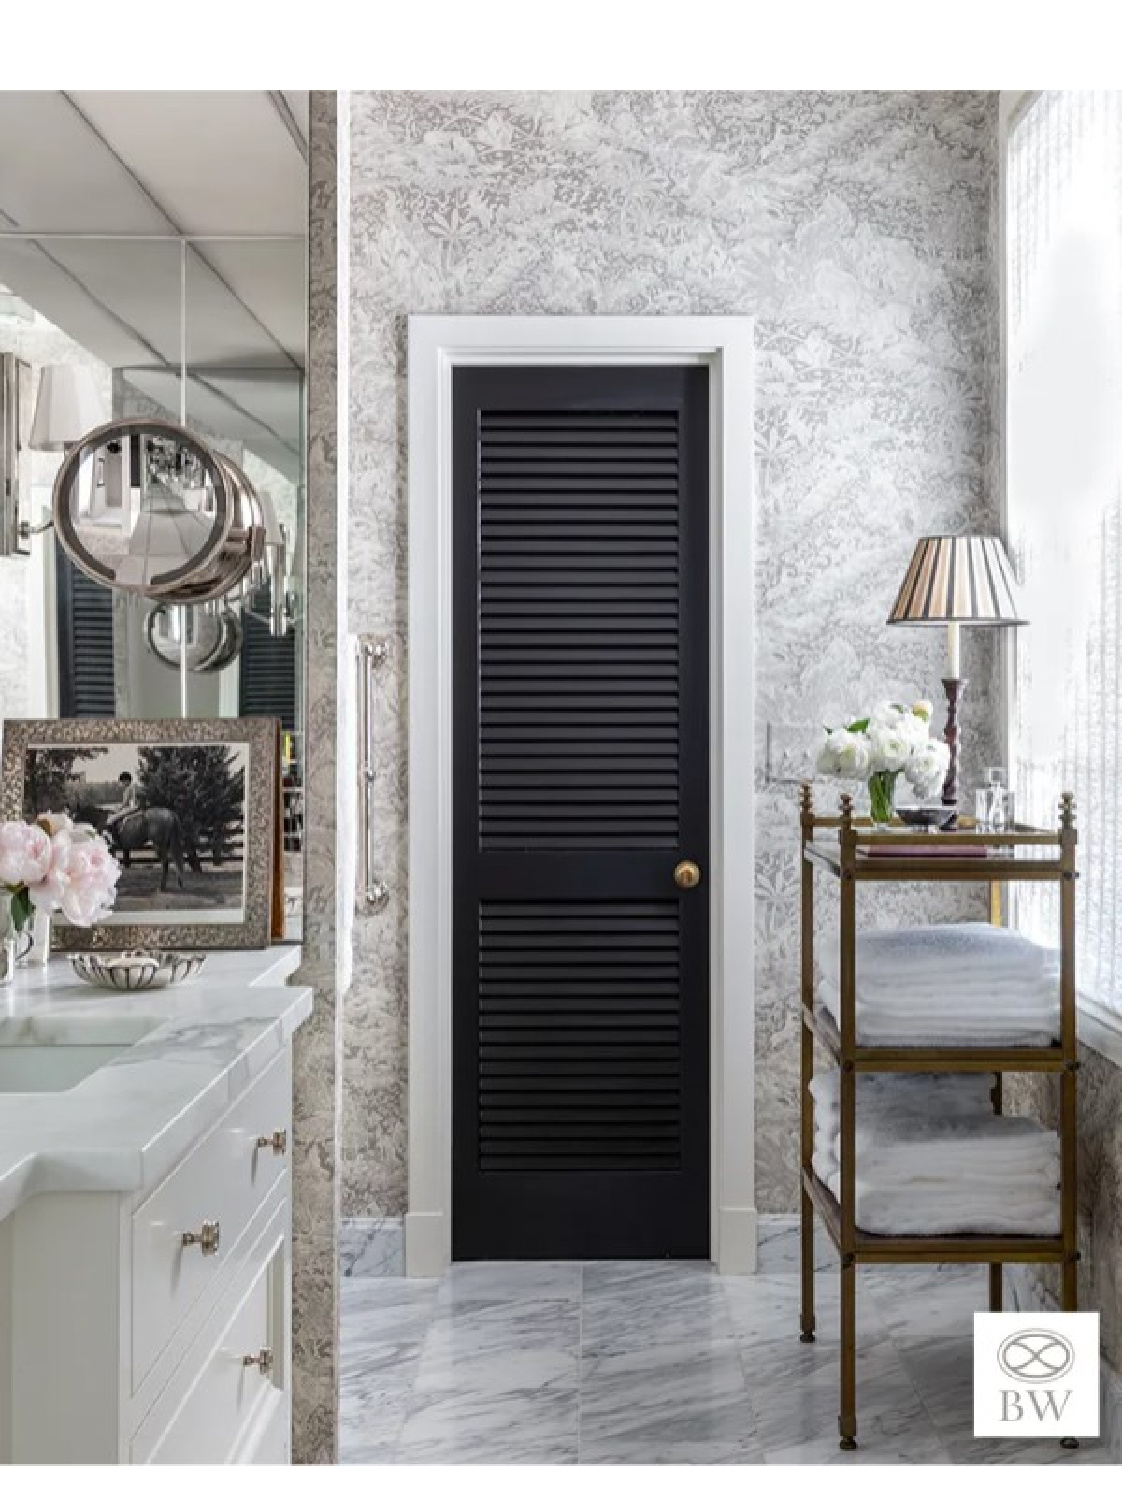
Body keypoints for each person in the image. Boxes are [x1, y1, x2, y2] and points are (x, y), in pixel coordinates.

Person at [104, 771, 140, 845]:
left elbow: (125, 803)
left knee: (110, 820)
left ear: (127, 780)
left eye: (123, 781)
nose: (122, 784)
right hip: (133, 807)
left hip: (131, 808)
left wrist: (117, 809)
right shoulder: (133, 787)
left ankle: (115, 839)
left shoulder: (128, 789)